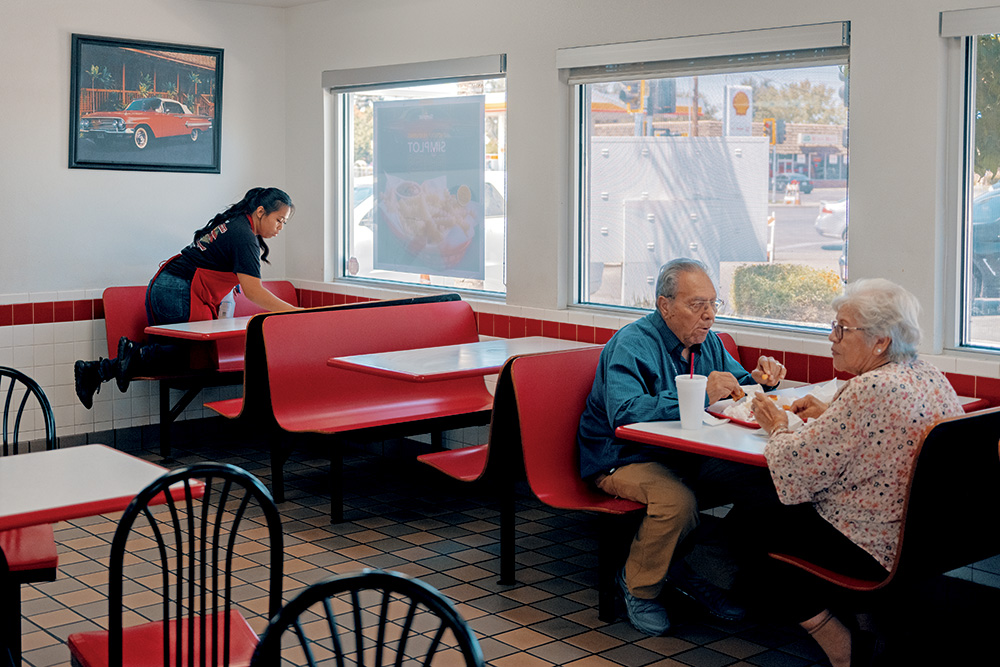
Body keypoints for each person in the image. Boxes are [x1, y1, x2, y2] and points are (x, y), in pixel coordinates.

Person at [748, 278, 963, 667]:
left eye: (842, 329)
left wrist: (775, 424)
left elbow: (795, 467)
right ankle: (869, 625)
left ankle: (843, 648)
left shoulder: (869, 389)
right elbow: (887, 430)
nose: (832, 337)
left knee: (754, 515)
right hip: (926, 538)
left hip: (872, 545)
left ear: (880, 341)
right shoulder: (927, 374)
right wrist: (832, 411)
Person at [577, 257, 786, 636]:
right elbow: (623, 413)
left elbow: (736, 385)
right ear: (665, 305)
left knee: (767, 482)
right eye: (697, 305)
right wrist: (696, 395)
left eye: (713, 304)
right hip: (622, 457)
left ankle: (694, 568)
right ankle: (639, 586)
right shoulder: (631, 343)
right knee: (678, 502)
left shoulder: (707, 343)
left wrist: (760, 382)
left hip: (685, 454)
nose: (708, 316)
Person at [74, 187, 301, 408]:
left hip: (169, 286)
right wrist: (294, 312)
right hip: (178, 290)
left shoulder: (237, 225)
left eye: (285, 222)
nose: (281, 227)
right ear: (261, 212)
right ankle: (129, 355)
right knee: (190, 357)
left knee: (188, 357)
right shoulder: (244, 235)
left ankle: (99, 369)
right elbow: (254, 291)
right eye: (279, 219)